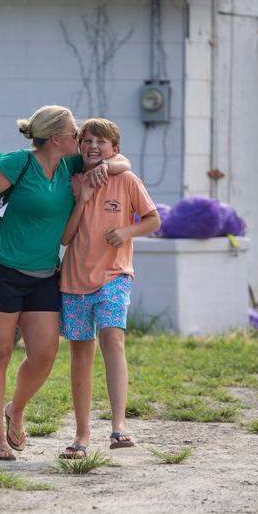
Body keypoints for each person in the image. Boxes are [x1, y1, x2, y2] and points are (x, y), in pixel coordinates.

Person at [0, 105, 130, 461]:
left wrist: (106, 165)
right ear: (57, 138)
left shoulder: (70, 164)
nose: (82, 140)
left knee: (44, 355)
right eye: (76, 133)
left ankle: (16, 409)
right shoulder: (18, 163)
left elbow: (123, 162)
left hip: (44, 275)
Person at [57, 118, 160, 458]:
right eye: (87, 140)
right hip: (74, 281)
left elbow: (152, 218)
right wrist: (82, 198)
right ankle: (82, 435)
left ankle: (119, 427)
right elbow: (65, 237)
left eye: (101, 141)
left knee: (112, 338)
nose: (93, 146)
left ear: (115, 149)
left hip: (115, 274)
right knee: (80, 353)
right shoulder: (74, 180)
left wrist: (127, 233)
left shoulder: (126, 179)